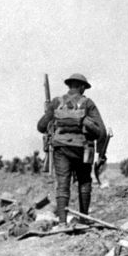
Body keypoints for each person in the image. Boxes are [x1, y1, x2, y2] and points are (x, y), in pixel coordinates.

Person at [36, 73, 107, 225]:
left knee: (62, 184)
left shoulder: (56, 102)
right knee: (84, 182)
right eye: (84, 88)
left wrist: (49, 116)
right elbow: (102, 131)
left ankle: (62, 222)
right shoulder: (88, 103)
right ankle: (84, 220)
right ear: (81, 87)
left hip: (61, 148)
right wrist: (101, 153)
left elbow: (41, 127)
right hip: (83, 149)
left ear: (69, 86)